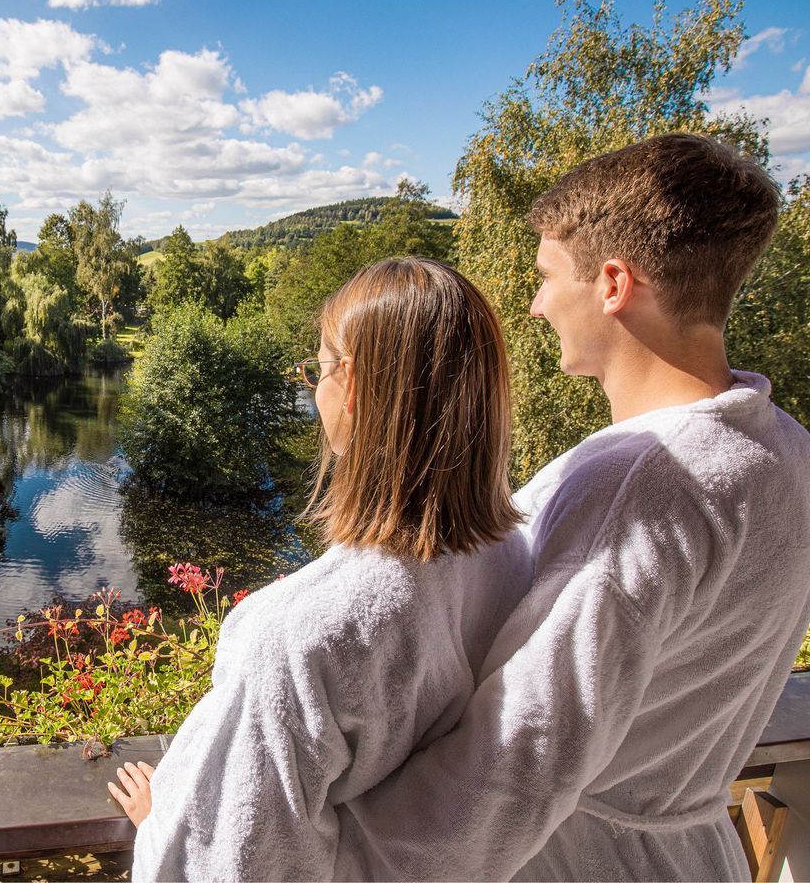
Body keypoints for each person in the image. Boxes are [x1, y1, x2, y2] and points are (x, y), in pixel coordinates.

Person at [324, 133, 809, 881]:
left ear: (613, 283)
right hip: (697, 854)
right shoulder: (786, 451)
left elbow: (518, 756)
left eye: (548, 276)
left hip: (580, 864)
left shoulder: (640, 488)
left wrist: (317, 854)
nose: (535, 303)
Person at [109, 257, 534, 879]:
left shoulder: (303, 636)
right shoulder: (509, 555)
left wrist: (168, 821)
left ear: (353, 383)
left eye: (318, 368)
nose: (314, 388)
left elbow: (234, 863)